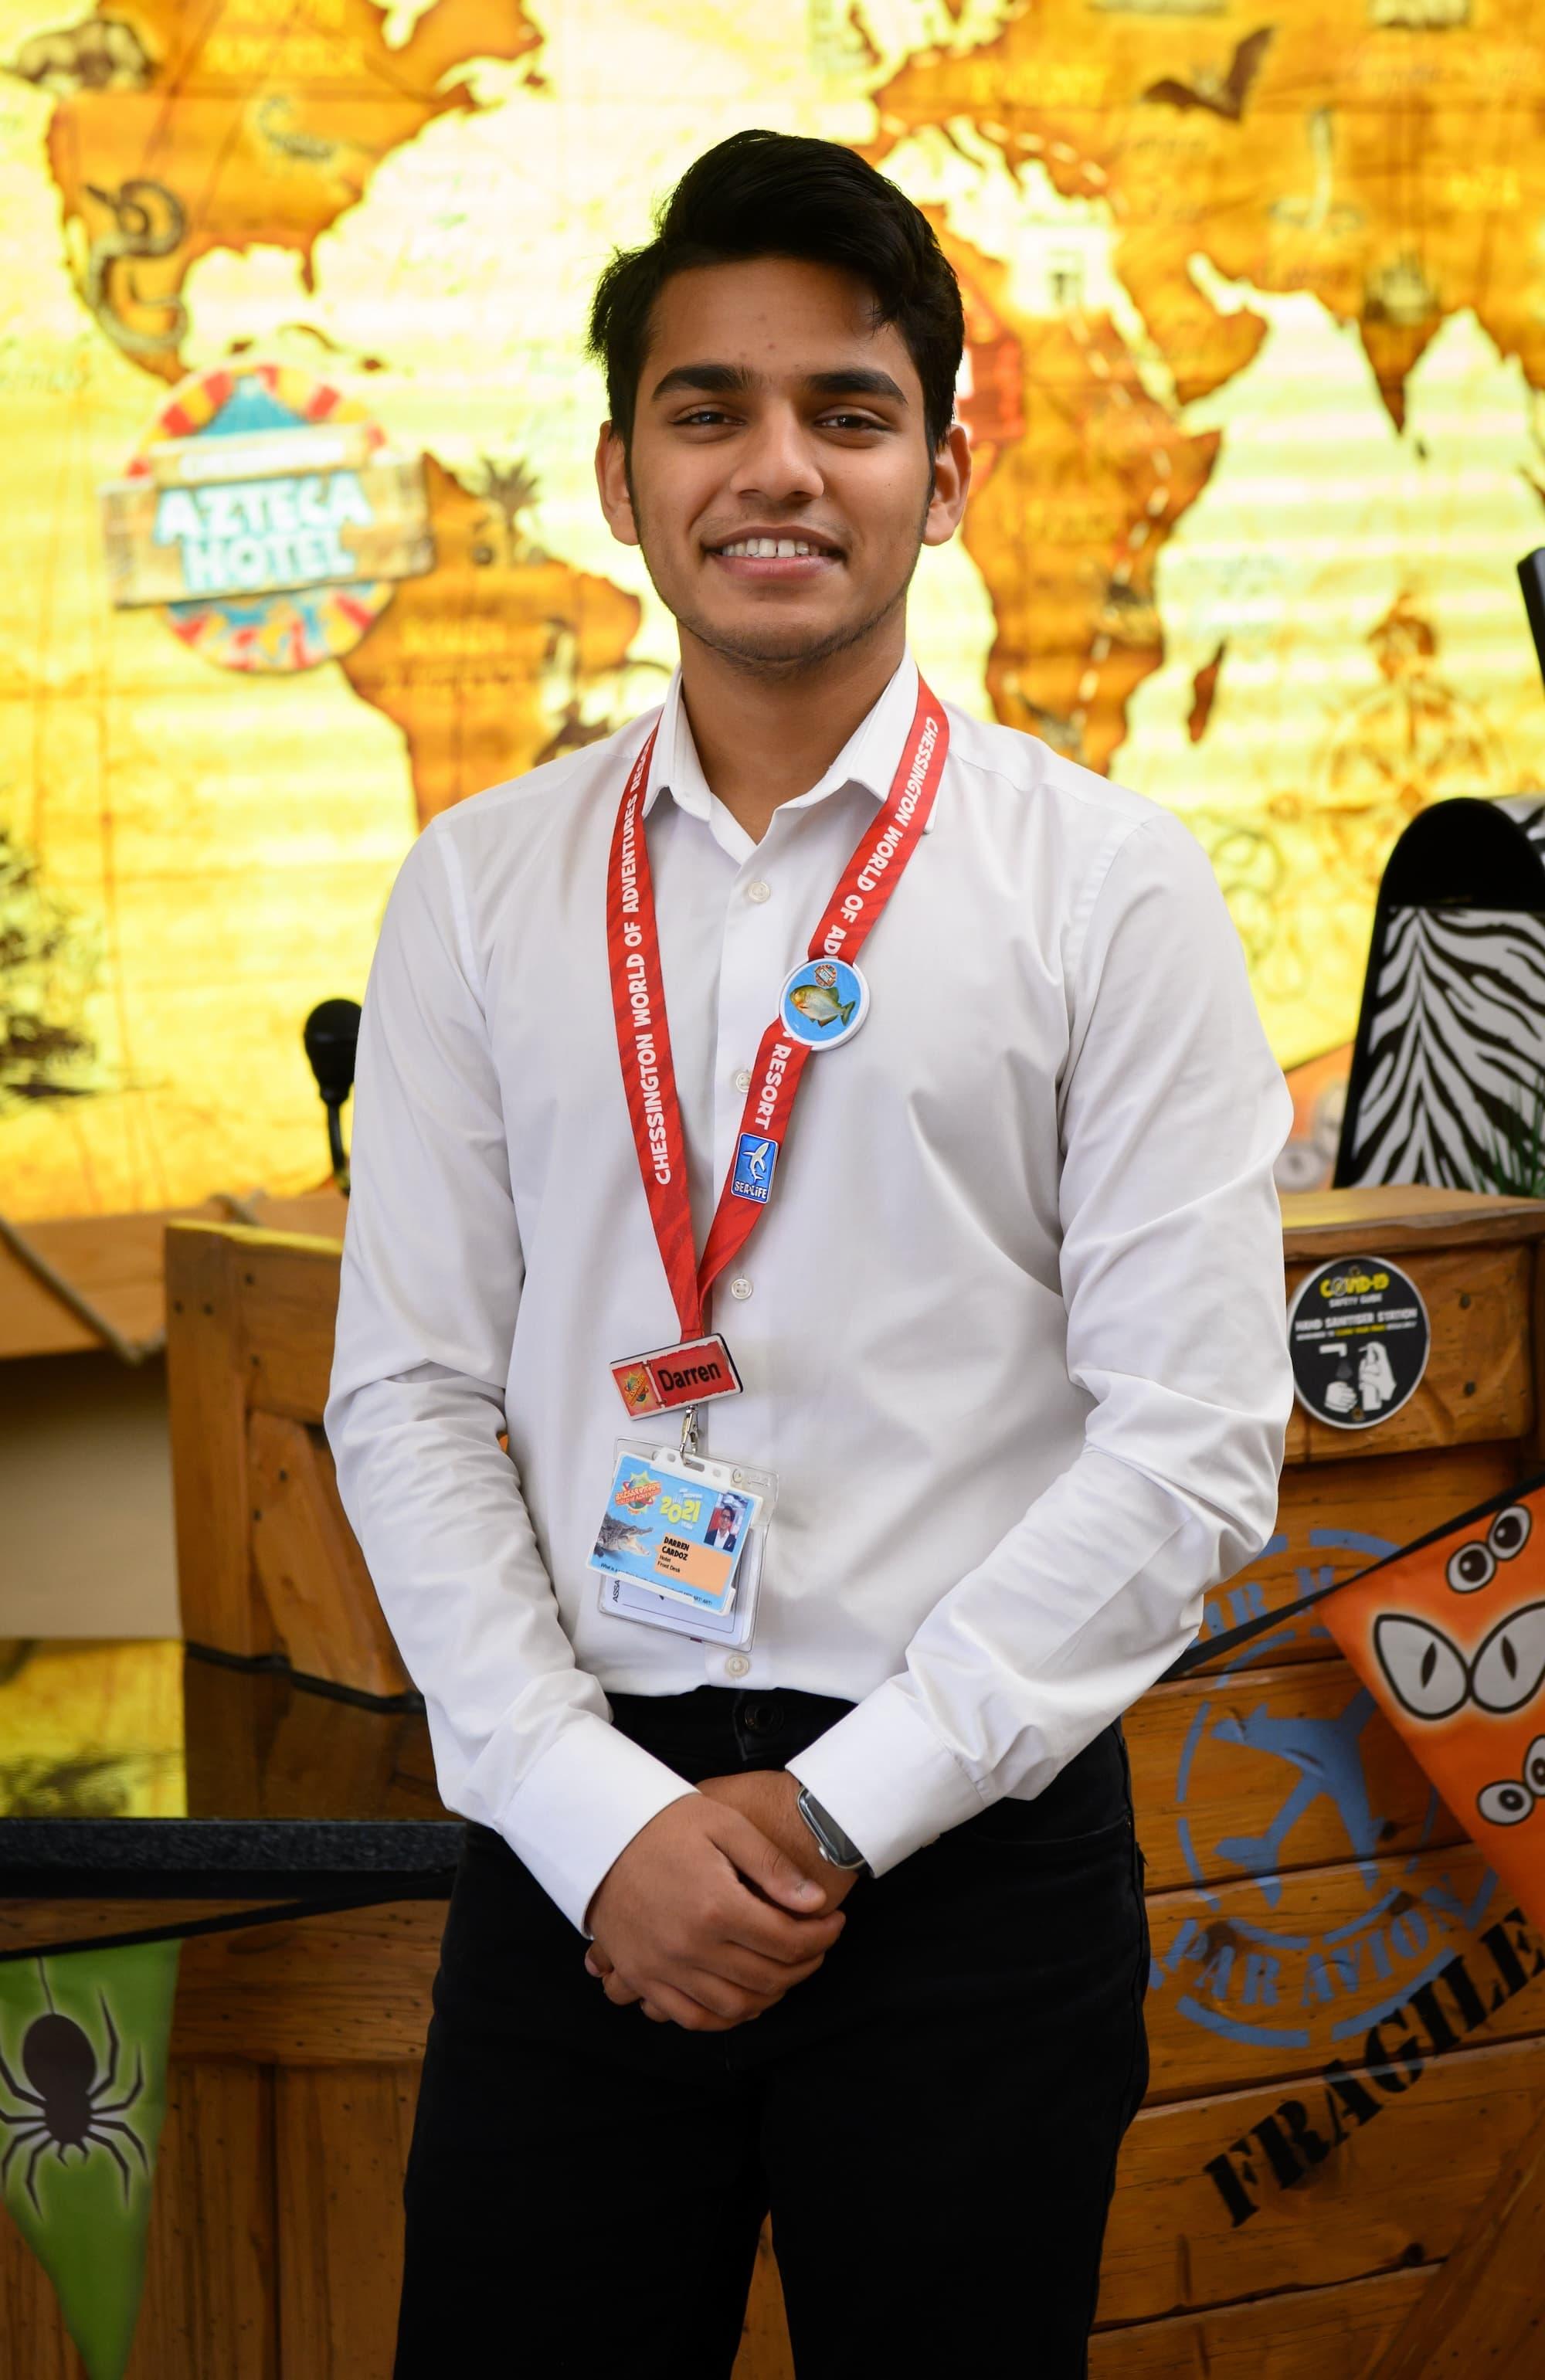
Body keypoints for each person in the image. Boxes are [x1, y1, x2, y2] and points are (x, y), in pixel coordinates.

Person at [324, 127, 1294, 2380]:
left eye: (847, 413)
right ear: (616, 472)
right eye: (710, 408)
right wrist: (593, 1815)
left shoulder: (1108, 886)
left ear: (944, 473)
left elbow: (1194, 1444)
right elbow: (409, 1392)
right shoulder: (477, 889)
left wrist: (841, 1810)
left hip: (974, 1849)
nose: (779, 466)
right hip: (580, 1850)